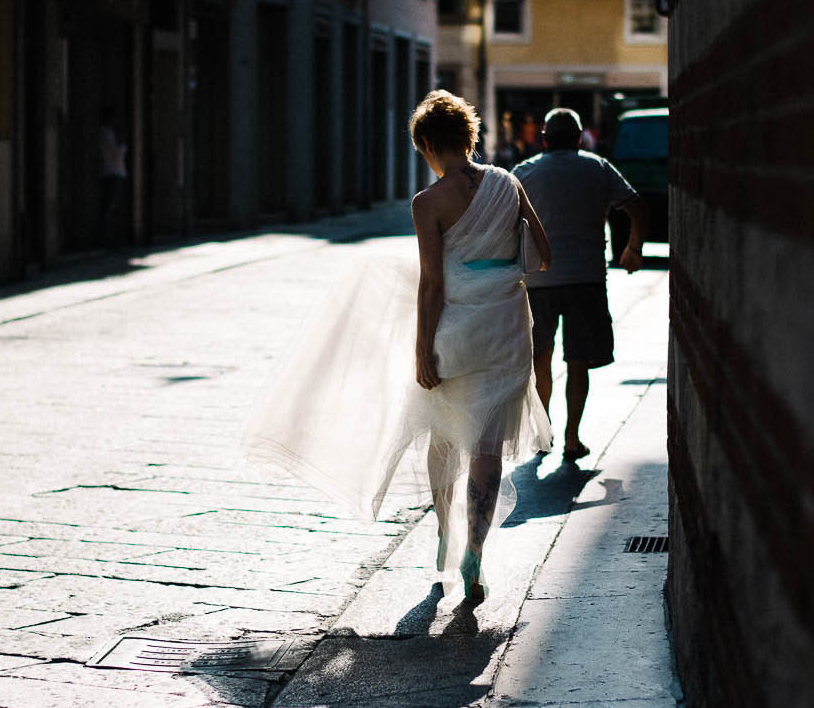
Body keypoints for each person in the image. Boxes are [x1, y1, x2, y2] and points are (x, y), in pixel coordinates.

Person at [244, 91, 552, 600]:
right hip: (507, 326)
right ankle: (476, 549)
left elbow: (431, 284)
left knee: (443, 435)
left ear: (428, 143)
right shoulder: (510, 184)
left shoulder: (428, 202)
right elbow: (542, 256)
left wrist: (421, 350)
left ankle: (444, 533)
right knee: (488, 445)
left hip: (456, 328)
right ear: (469, 136)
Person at [514, 107, 647, 461]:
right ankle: (572, 438)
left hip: (538, 280)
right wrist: (633, 247)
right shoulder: (597, 167)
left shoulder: (524, 173)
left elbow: (502, 220)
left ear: (543, 139)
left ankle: (545, 435)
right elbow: (635, 206)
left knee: (540, 359)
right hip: (585, 279)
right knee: (578, 361)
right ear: (578, 139)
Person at [97, 107, 129, 245]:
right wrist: (123, 146)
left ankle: (108, 237)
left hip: (112, 171)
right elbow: (113, 155)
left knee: (110, 206)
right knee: (109, 206)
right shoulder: (106, 134)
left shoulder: (107, 133)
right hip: (112, 172)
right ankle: (106, 238)